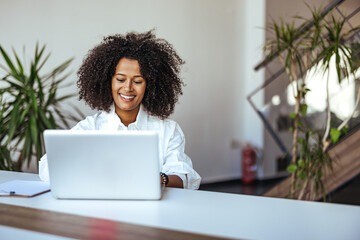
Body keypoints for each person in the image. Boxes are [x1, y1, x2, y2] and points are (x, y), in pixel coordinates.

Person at [39, 30, 201, 189]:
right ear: (107, 81)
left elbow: (185, 178)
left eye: (137, 81)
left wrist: (159, 179)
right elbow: (47, 166)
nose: (128, 88)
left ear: (150, 85)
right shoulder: (90, 127)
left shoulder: (168, 130)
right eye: (121, 79)